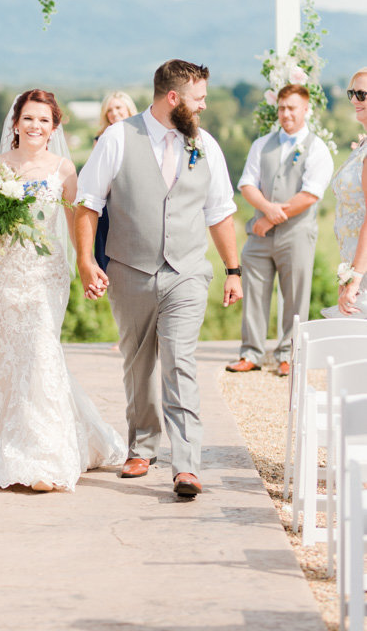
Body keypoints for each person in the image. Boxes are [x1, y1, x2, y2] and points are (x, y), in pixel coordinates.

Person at [0, 89, 126, 491]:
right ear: (15, 123)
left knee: (41, 352)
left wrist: (86, 264)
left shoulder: (65, 169)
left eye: (44, 120)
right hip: (2, 275)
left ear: (54, 127)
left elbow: (76, 222)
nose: (35, 126)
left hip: (46, 275)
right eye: (28, 118)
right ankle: (2, 438)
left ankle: (44, 455)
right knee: (6, 354)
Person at [75, 59, 242, 499]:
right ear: (174, 98)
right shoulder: (117, 138)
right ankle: (142, 446)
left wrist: (233, 269)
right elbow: (88, 204)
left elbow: (220, 212)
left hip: (186, 272)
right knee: (138, 363)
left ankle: (186, 465)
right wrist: (85, 262)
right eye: (198, 98)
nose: (203, 106)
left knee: (180, 362)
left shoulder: (205, 145)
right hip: (129, 270)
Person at [226, 84, 334, 377]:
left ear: (306, 109)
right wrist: (268, 210)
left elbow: (310, 195)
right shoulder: (262, 144)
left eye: (292, 108)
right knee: (253, 291)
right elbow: (247, 184)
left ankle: (289, 353)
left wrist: (271, 217)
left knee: (295, 296)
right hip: (260, 235)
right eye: (282, 108)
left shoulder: (318, 149)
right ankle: (251, 353)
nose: (286, 114)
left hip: (296, 235)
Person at [321, 68, 367, 319]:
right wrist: (348, 272)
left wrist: (356, 277)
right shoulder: (363, 144)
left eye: (362, 94)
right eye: (352, 93)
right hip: (355, 261)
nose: (354, 100)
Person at [94, 91, 138, 273]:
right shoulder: (101, 140)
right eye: (109, 110)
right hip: (110, 203)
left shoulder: (143, 136)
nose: (114, 113)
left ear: (128, 109)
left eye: (118, 107)